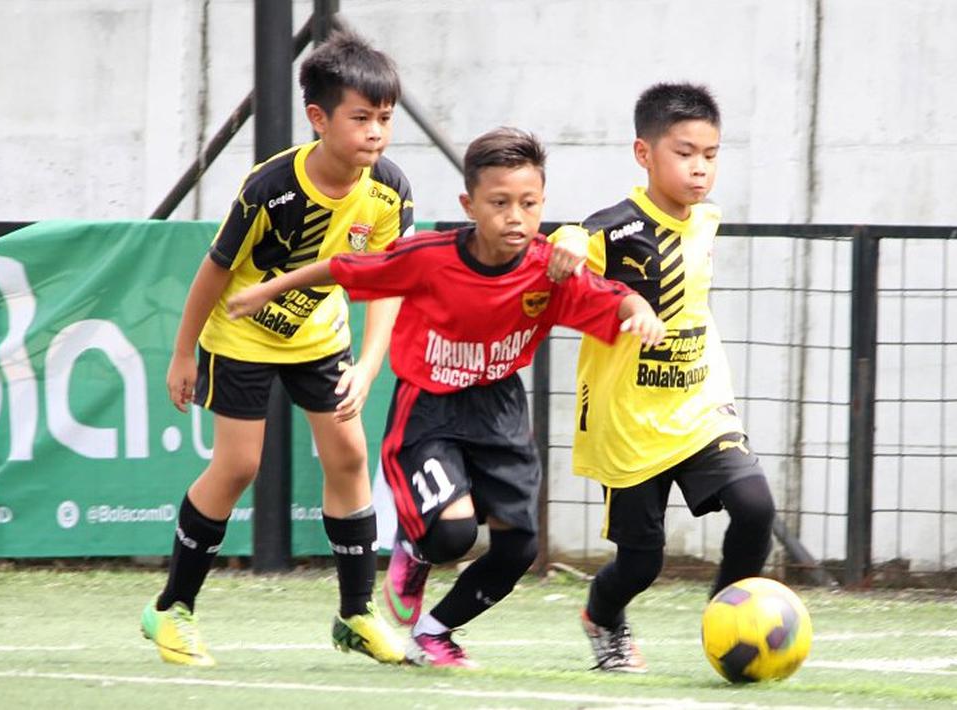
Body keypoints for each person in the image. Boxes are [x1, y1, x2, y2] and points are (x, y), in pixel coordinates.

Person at [227, 127, 665, 668]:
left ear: (542, 203)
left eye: (528, 204)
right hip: (429, 408)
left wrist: (639, 311)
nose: (515, 217)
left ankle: (435, 633)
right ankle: (416, 549)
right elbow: (344, 267)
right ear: (469, 204)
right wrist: (265, 290)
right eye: (499, 203)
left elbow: (610, 297)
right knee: (453, 534)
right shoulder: (429, 257)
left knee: (518, 549)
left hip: (500, 411)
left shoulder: (549, 270)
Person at [140, 30, 411, 667]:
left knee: (348, 455)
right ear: (319, 119)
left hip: (321, 337)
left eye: (386, 119)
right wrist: (183, 355)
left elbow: (388, 279)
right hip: (240, 336)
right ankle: (170, 609)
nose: (376, 132)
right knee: (239, 467)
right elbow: (213, 270)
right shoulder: (271, 187)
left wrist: (370, 365)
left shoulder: (390, 189)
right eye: (362, 118)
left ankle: (355, 614)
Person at [550, 83, 777, 673]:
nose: (700, 168)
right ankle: (603, 614)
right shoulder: (614, 229)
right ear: (643, 154)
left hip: (700, 405)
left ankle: (730, 623)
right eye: (684, 153)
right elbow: (568, 243)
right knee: (641, 562)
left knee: (754, 507)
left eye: (711, 153)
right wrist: (570, 241)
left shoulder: (707, 219)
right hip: (628, 422)